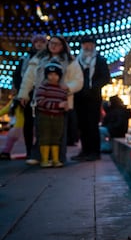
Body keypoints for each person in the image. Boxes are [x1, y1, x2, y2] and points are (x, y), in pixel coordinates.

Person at [17, 35, 83, 165]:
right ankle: (38, 156)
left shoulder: (70, 61)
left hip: (61, 100)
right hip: (42, 99)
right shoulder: (39, 58)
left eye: (57, 44)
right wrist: (23, 94)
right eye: (52, 43)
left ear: (63, 46)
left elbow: (78, 80)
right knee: (41, 129)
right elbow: (29, 77)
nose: (53, 46)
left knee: (59, 132)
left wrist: (68, 87)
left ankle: (58, 158)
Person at [72, 36, 111, 161]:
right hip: (79, 97)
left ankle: (94, 152)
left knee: (92, 125)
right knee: (82, 125)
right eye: (85, 44)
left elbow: (105, 78)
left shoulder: (100, 60)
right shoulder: (76, 61)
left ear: (94, 46)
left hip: (93, 98)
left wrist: (93, 87)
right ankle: (85, 150)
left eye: (90, 44)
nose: (87, 47)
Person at [13, 33, 48, 159]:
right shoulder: (25, 58)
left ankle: (39, 149)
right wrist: (21, 93)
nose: (39, 44)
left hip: (42, 92)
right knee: (28, 122)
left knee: (42, 122)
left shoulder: (48, 57)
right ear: (33, 44)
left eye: (42, 42)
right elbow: (17, 76)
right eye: (37, 42)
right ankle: (29, 150)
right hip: (27, 93)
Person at [34, 63, 69, 167]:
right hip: (45, 116)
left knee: (56, 137)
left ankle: (55, 159)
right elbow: (40, 101)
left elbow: (64, 100)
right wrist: (57, 105)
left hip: (58, 117)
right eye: (50, 74)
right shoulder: (43, 87)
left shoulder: (61, 89)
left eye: (55, 75)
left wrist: (65, 106)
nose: (53, 77)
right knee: (45, 137)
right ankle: (44, 159)